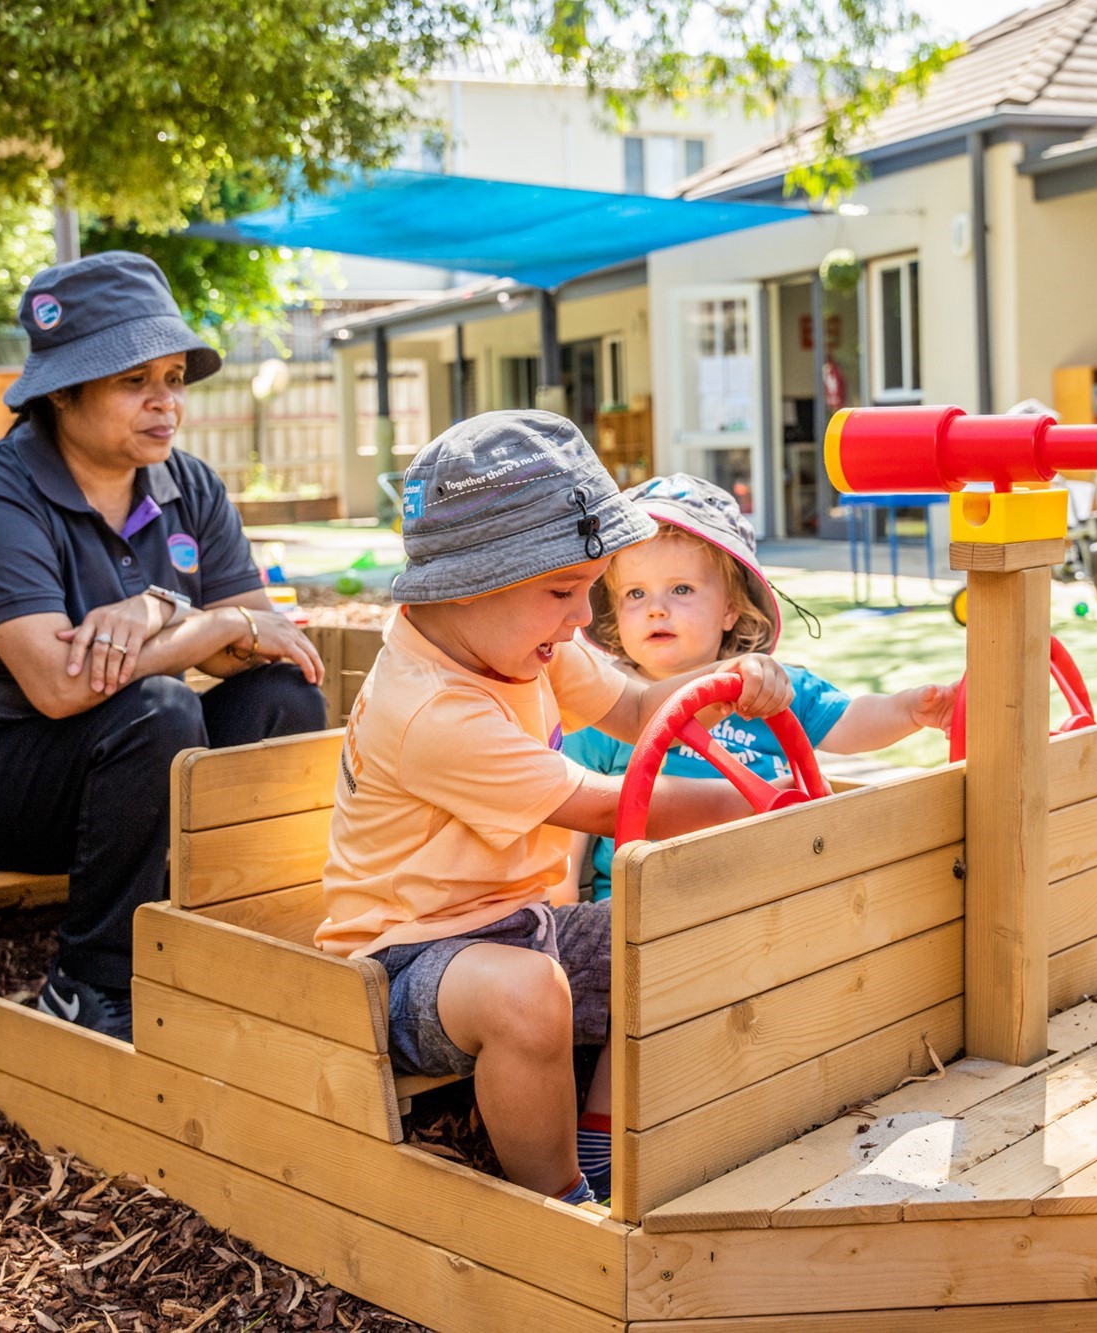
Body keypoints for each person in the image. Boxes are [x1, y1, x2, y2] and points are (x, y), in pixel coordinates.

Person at [316, 411, 791, 1207]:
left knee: (680, 930)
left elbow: (637, 707)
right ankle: (561, 1204)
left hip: (522, 923)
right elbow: (608, 804)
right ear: (474, 584)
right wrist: (753, 802)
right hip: (400, 965)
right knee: (526, 994)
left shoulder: (521, 644)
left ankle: (609, 1136)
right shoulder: (431, 710)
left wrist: (731, 682)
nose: (582, 618)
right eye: (565, 592)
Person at [0, 251, 329, 1040]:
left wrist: (166, 610)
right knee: (159, 712)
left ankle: (242, 939)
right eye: (134, 380)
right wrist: (207, 624)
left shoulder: (189, 485)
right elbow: (58, 686)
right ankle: (90, 982)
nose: (164, 402)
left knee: (283, 696)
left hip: (123, 770)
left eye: (173, 377)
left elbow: (263, 639)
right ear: (62, 391)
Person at [566, 474, 953, 899]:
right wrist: (563, 893)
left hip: (766, 895)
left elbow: (848, 722)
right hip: (648, 903)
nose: (656, 609)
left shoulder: (767, 687)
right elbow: (570, 806)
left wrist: (908, 710)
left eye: (681, 589)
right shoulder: (606, 704)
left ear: (730, 609)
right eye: (635, 594)